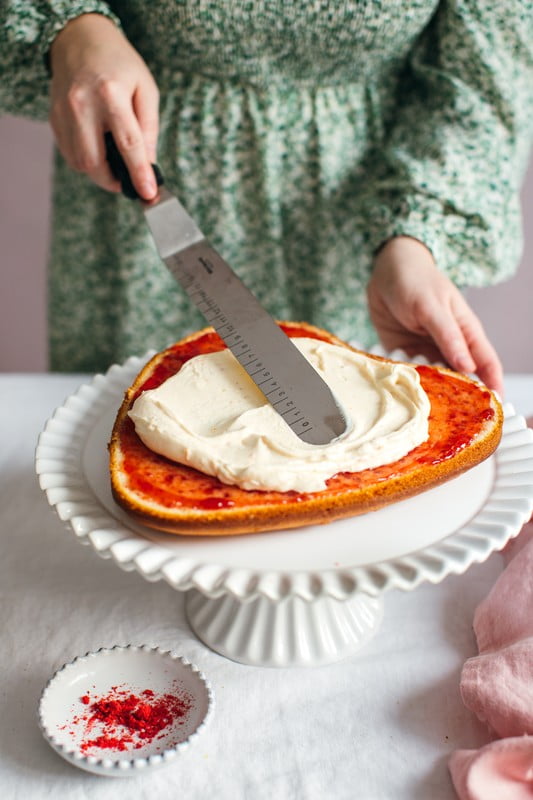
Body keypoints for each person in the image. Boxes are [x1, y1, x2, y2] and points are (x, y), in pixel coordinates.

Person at [1, 2, 532, 394]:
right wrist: (72, 29)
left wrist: (413, 239)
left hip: (365, 229)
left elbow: (487, 75)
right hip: (139, 184)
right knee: (124, 438)